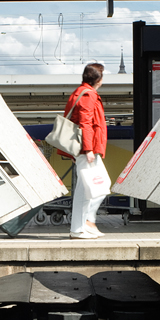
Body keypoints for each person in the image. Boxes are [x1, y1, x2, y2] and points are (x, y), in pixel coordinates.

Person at [64, 63, 108, 239]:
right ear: (98, 80)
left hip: (85, 149)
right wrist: (88, 149)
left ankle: (82, 226)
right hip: (87, 149)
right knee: (100, 185)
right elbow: (85, 123)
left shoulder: (82, 92)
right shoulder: (88, 95)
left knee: (87, 189)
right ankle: (85, 223)